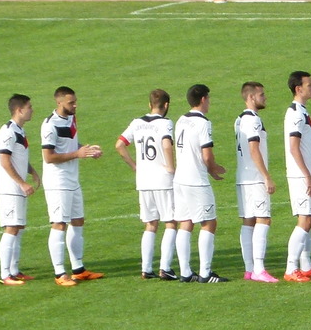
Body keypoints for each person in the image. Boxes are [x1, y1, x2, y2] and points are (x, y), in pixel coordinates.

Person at [40, 85, 104, 286]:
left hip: (72, 180)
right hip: (57, 182)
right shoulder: (49, 125)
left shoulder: (71, 118)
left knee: (77, 221)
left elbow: (69, 144)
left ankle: (78, 269)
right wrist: (77, 154)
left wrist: (86, 150)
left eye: (75, 101)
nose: (75, 105)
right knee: (59, 224)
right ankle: (60, 273)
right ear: (59, 102)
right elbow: (49, 157)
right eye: (71, 102)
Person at [115, 88, 178, 279]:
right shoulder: (165, 123)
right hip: (163, 180)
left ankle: (146, 268)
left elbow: (119, 145)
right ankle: (165, 268)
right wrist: (171, 167)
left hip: (143, 180)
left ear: (149, 105)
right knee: (170, 223)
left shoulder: (137, 123)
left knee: (150, 224)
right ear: (166, 105)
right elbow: (166, 144)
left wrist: (134, 165)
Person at [173, 83, 227, 283]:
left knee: (185, 223)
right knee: (209, 222)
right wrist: (213, 169)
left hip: (179, 179)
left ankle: (185, 272)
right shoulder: (203, 123)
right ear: (203, 99)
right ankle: (205, 273)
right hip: (196, 180)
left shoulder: (181, 120)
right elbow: (206, 154)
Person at [282, 71, 311, 281]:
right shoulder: (295, 114)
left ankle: (306, 265)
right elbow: (294, 147)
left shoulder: (302, 111)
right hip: (300, 175)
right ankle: (291, 269)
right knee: (305, 219)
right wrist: (307, 176)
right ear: (298, 89)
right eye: (309, 85)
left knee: (309, 218)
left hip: (306, 173)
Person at [234, 80, 277, 282]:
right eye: (261, 95)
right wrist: (266, 176)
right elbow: (254, 149)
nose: (265, 97)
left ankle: (249, 269)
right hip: (255, 178)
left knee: (248, 221)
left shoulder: (239, 119)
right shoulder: (253, 120)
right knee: (263, 219)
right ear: (251, 97)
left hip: (242, 177)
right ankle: (259, 269)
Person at [0, 95, 38, 285]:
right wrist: (22, 183)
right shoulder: (8, 131)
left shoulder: (19, 130)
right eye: (29, 107)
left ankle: (14, 270)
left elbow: (18, 158)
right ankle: (5, 275)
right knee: (11, 228)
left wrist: (32, 172)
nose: (32, 110)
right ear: (19, 110)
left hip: (16, 189)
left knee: (18, 227)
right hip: (9, 189)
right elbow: (5, 161)